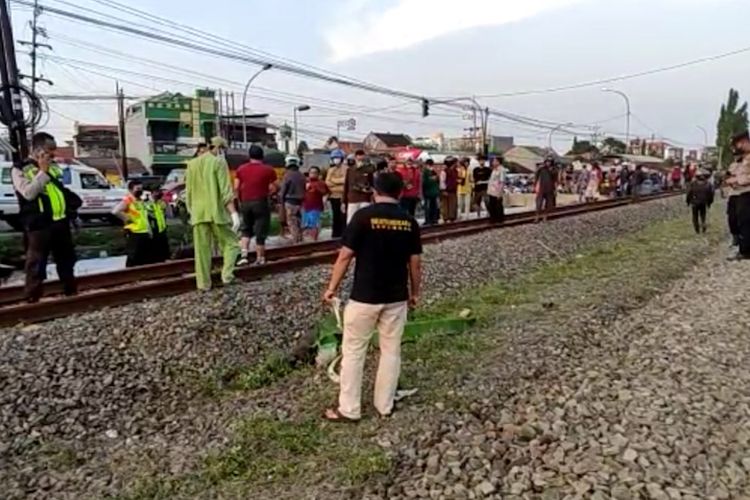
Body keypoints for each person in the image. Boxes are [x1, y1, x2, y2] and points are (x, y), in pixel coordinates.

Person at [322, 172, 422, 423]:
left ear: (374, 191)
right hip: (396, 297)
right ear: (400, 193)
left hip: (364, 297)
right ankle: (384, 405)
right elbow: (415, 263)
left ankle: (349, 409)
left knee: (354, 351)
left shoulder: (363, 217)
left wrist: (332, 287)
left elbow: (345, 256)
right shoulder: (410, 222)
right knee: (391, 351)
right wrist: (415, 292)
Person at [12, 132, 78, 302]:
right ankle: (32, 298)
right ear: (38, 150)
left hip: (60, 222)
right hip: (39, 225)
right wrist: (42, 172)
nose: (53, 154)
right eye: (50, 150)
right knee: (36, 262)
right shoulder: (21, 169)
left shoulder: (54, 167)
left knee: (66, 259)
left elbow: (58, 191)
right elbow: (28, 193)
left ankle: (70, 292)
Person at [185, 136, 241, 290]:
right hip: (216, 212)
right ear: (219, 148)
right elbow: (225, 191)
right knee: (232, 244)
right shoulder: (219, 162)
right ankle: (227, 276)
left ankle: (203, 284)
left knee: (201, 251)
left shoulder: (191, 165)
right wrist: (234, 214)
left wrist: (191, 211)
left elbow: (188, 192)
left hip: (198, 213)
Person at [235, 145, 277, 266]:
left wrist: (239, 200)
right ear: (262, 156)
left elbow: (236, 187)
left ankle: (244, 255)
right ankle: (260, 258)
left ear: (250, 156)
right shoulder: (268, 169)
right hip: (261, 202)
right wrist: (270, 192)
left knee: (246, 229)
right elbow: (277, 186)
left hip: (245, 202)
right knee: (260, 230)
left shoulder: (241, 169)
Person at [112, 180, 151, 267]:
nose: (140, 190)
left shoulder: (140, 201)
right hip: (134, 232)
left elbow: (144, 217)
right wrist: (126, 218)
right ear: (130, 190)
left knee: (144, 257)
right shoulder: (128, 200)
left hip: (144, 231)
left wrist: (149, 230)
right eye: (137, 189)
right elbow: (115, 211)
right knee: (133, 257)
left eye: (141, 188)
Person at [727, 131, 750, 260]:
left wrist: (739, 180)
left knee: (745, 222)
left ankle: (745, 251)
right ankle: (741, 247)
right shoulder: (743, 158)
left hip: (747, 192)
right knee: (737, 220)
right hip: (739, 193)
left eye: (739, 144)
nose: (738, 147)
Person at [342, 150, 375, 224]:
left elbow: (372, 184)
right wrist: (343, 201)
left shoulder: (369, 169)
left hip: (365, 198)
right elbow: (346, 185)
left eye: (362, 156)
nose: (360, 158)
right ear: (355, 157)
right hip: (353, 198)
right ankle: (350, 234)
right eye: (358, 156)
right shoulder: (350, 170)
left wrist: (372, 196)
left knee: (365, 219)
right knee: (351, 219)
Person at [279, 154, 306, 244]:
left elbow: (282, 191)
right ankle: (300, 239)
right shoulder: (302, 176)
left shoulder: (287, 175)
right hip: (301, 203)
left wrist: (280, 203)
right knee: (299, 222)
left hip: (290, 203)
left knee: (292, 223)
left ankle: (295, 242)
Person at [303, 166, 329, 241]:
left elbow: (325, 192)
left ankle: (314, 240)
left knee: (314, 224)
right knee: (306, 225)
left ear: (318, 174)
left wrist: (316, 189)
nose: (312, 174)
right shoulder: (306, 182)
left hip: (316, 207)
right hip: (305, 206)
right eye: (311, 173)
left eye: (314, 173)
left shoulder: (321, 183)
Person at [325, 149, 347, 238]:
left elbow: (345, 181)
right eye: (334, 158)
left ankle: (344, 234)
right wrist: (339, 183)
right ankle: (335, 234)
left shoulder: (346, 169)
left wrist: (333, 181)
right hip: (333, 196)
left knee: (343, 217)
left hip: (343, 197)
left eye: (337, 158)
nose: (336, 160)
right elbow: (327, 182)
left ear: (341, 159)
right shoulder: (331, 170)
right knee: (335, 217)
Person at [148, 190, 170, 263]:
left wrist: (166, 204)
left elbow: (167, 213)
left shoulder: (161, 202)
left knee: (164, 248)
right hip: (154, 228)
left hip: (162, 228)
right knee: (155, 248)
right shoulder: (148, 203)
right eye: (156, 192)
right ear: (152, 193)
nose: (158, 194)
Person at [534, 159, 557, 223]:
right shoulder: (541, 169)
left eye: (549, 162)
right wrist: (535, 185)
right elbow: (536, 177)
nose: (548, 163)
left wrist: (555, 190)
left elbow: (555, 180)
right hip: (541, 188)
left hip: (550, 188)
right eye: (547, 161)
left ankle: (545, 217)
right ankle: (537, 217)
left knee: (548, 204)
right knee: (539, 204)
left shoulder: (554, 170)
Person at [487, 155, 506, 223]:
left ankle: (499, 219)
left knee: (497, 205)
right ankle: (493, 218)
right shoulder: (494, 170)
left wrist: (499, 192)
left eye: (494, 161)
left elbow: (502, 181)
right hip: (491, 190)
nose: (493, 162)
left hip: (497, 190)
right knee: (491, 205)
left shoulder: (502, 170)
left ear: (498, 162)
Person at [440, 157, 459, 222]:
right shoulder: (444, 171)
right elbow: (442, 181)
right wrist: (443, 190)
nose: (457, 164)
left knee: (453, 205)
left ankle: (452, 217)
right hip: (447, 190)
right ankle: (446, 218)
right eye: (456, 163)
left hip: (453, 190)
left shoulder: (455, 171)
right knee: (446, 205)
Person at [422, 159, 440, 225]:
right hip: (434, 192)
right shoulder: (434, 172)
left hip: (428, 192)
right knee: (434, 206)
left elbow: (424, 183)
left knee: (428, 207)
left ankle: (428, 220)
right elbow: (437, 181)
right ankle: (434, 219)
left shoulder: (425, 172)